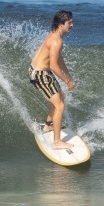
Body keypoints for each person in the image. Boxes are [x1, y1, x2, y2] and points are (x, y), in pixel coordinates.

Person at [29, 10, 75, 149]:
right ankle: (57, 142)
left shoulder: (54, 35)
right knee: (60, 106)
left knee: (60, 96)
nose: (72, 25)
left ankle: (48, 126)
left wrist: (68, 75)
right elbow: (53, 66)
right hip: (40, 74)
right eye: (69, 22)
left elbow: (58, 58)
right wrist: (67, 81)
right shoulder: (56, 41)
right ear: (61, 24)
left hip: (43, 72)